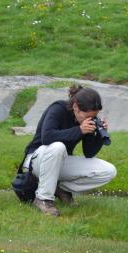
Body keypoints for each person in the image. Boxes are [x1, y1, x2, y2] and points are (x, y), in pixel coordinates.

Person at [21, 84, 117, 216]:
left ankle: (58, 188)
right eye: (87, 116)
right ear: (75, 107)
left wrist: (99, 135)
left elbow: (89, 153)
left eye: (94, 116)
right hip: (36, 160)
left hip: (59, 161)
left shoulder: (86, 120)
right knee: (58, 146)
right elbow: (47, 137)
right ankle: (43, 199)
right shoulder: (58, 108)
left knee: (109, 171)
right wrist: (79, 130)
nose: (90, 119)